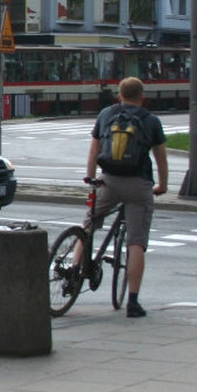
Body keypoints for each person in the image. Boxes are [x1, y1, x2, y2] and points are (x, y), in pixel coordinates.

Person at [82, 76, 167, 318]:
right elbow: (161, 157)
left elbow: (94, 149)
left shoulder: (106, 114)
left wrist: (91, 179)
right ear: (142, 97)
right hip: (140, 185)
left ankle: (74, 271)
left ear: (119, 95)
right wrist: (162, 185)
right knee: (136, 242)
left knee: (88, 225)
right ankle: (133, 302)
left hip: (108, 181)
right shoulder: (151, 121)